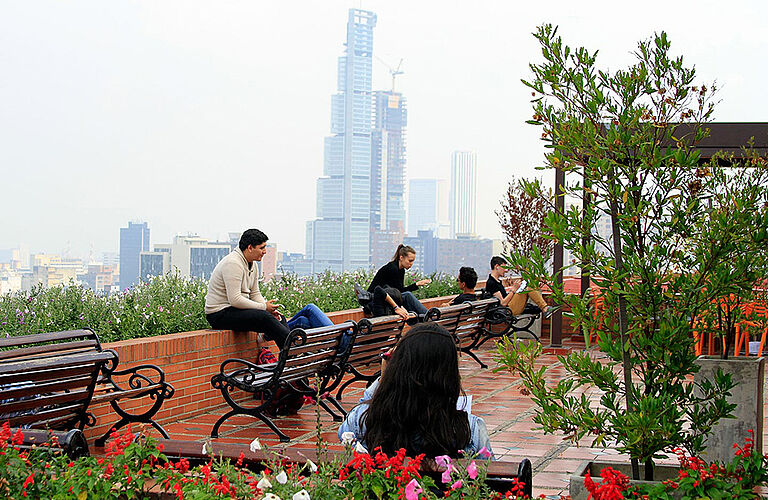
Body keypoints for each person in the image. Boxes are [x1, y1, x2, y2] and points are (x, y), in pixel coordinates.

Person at [337, 322, 493, 459]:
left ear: (398, 369)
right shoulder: (470, 430)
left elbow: (347, 427)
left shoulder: (367, 421)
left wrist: (385, 379)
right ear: (450, 376)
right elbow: (491, 481)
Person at [204, 229, 334, 348]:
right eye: (262, 248)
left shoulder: (252, 264)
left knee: (279, 318)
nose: (265, 251)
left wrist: (268, 309)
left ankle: (289, 354)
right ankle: (293, 351)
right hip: (219, 314)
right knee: (265, 317)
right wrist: (264, 307)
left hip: (234, 310)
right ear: (250, 248)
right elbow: (235, 299)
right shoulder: (233, 263)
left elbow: (255, 293)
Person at [367, 245, 431, 316]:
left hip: (389, 297)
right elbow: (400, 292)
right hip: (376, 299)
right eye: (410, 261)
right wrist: (416, 284)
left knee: (407, 296)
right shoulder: (392, 269)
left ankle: (424, 317)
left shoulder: (401, 270)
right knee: (407, 295)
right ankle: (428, 315)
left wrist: (417, 284)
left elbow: (399, 291)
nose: (411, 264)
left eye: (413, 261)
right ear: (401, 258)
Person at [486, 256, 555, 317]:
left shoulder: (497, 281)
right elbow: (503, 303)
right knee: (529, 288)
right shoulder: (492, 283)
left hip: (510, 307)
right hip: (507, 310)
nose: (506, 270)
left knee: (529, 286)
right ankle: (545, 308)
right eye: (504, 267)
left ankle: (544, 308)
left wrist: (516, 289)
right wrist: (514, 290)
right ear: (497, 266)